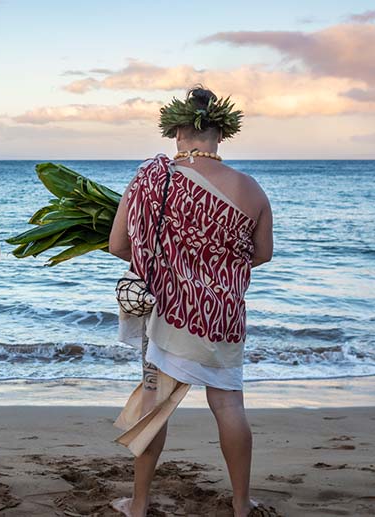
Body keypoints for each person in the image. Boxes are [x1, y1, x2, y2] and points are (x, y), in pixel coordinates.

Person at [108, 87, 275, 517]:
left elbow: (117, 244)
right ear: (221, 133)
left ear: (178, 132)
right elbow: (262, 253)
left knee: (154, 406)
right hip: (221, 315)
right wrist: (212, 269)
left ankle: (139, 504)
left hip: (167, 311)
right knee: (228, 405)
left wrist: (166, 259)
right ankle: (241, 506)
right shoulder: (249, 189)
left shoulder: (150, 177)